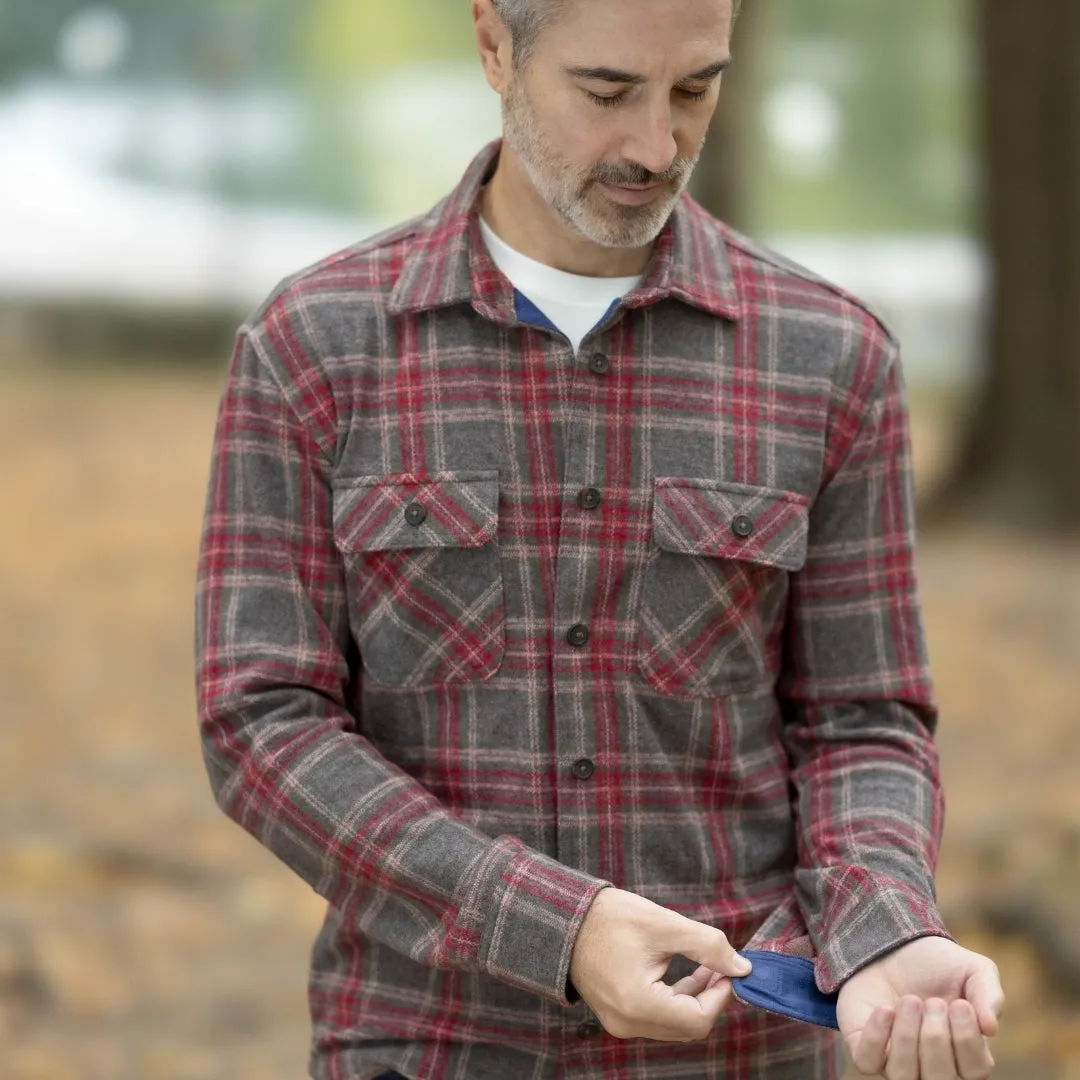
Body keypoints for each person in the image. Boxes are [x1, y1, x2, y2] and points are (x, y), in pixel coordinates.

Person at [194, 0, 1005, 1077]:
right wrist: (553, 926)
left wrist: (884, 926)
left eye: (695, 90)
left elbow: (861, 718)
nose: (656, 147)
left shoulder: (831, 358)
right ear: (494, 44)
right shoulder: (315, 346)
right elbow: (262, 722)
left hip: (741, 1054)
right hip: (427, 1048)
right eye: (609, 91)